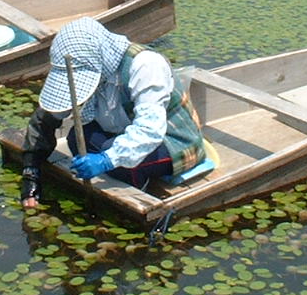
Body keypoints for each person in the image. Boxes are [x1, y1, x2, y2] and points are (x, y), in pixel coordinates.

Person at [19, 17, 206, 208]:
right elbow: (46, 118)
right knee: (76, 137)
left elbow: (150, 129)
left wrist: (106, 160)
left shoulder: (145, 65)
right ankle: (122, 171)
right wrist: (30, 170)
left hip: (172, 139)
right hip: (122, 130)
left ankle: (136, 198)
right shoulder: (86, 65)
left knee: (121, 160)